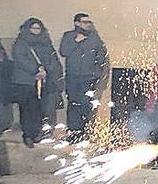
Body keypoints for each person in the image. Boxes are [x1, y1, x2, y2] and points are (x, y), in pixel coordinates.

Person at [10, 17, 62, 147]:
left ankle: (38, 132)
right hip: (26, 82)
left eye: (38, 28)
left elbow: (52, 59)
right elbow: (21, 59)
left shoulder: (46, 43)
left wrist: (47, 71)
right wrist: (36, 70)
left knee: (40, 109)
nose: (36, 31)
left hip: (44, 81)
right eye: (33, 28)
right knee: (27, 109)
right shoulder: (21, 43)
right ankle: (28, 134)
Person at [59, 12, 109, 141]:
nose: (88, 24)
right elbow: (63, 52)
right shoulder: (69, 36)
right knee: (73, 104)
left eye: (88, 22)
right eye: (84, 22)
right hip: (73, 77)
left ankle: (85, 132)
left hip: (88, 77)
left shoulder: (94, 38)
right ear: (77, 23)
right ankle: (73, 132)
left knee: (86, 105)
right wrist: (76, 41)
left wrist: (96, 74)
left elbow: (101, 57)